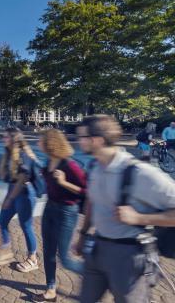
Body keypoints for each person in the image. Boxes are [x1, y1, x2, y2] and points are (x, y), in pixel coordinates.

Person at [73, 115, 175, 303]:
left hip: (129, 256)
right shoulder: (95, 166)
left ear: (97, 140)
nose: (79, 141)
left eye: (82, 137)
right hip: (97, 248)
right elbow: (91, 201)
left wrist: (138, 218)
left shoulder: (139, 173)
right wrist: (83, 234)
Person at [32, 129, 86, 303]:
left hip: (66, 212)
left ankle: (98, 275)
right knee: (48, 252)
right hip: (50, 209)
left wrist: (64, 182)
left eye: (41, 140)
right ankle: (50, 290)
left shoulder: (69, 165)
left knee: (64, 258)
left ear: (51, 143)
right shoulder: (48, 162)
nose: (38, 142)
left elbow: (86, 191)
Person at [0, 127, 39, 273]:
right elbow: (11, 179)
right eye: (4, 136)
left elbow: (22, 179)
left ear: (15, 138)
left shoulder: (23, 154)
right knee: (2, 221)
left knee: (26, 226)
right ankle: (5, 253)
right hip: (13, 192)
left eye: (6, 137)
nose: (3, 139)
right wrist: (8, 197)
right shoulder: (9, 153)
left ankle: (33, 259)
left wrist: (9, 198)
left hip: (25, 194)